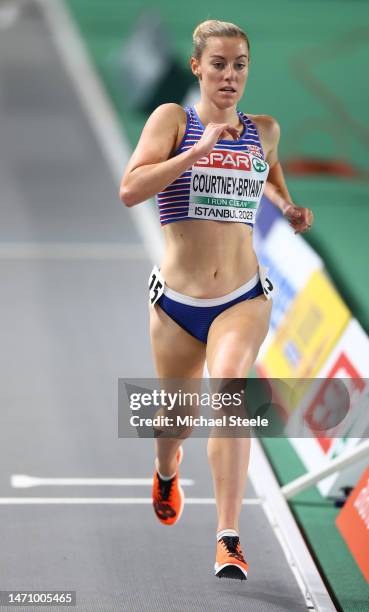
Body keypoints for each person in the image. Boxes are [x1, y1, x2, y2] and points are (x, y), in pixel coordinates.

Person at [120, 19, 313, 581]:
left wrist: (288, 205)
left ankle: (228, 536)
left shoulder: (264, 129)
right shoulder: (173, 121)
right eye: (220, 64)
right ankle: (165, 467)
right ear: (197, 67)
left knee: (229, 392)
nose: (230, 76)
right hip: (177, 304)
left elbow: (268, 175)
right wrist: (196, 151)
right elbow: (130, 188)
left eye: (240, 65)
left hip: (241, 295)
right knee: (174, 421)